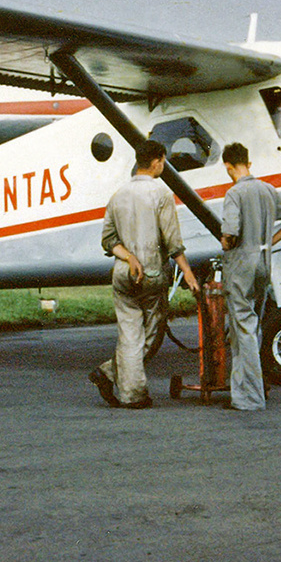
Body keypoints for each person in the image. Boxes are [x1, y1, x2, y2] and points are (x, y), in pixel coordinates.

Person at [90, 139, 201, 408]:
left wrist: (128, 257)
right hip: (151, 274)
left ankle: (111, 376)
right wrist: (188, 272)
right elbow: (173, 242)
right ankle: (130, 392)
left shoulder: (118, 195)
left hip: (122, 274)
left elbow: (108, 240)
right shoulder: (160, 194)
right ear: (157, 161)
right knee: (151, 334)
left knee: (130, 335)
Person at [219, 142, 281, 411]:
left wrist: (226, 241)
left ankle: (250, 398)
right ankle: (247, 389)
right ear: (249, 164)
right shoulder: (267, 190)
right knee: (252, 327)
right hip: (264, 262)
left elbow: (230, 233)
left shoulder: (234, 193)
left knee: (241, 329)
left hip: (241, 263)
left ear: (228, 167)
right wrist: (270, 240)